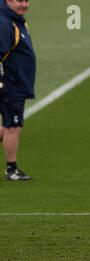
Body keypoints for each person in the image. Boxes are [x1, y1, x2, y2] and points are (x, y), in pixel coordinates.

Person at [0, 0, 35, 180]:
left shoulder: (15, 19)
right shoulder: (6, 24)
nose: (24, 4)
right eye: (19, 0)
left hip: (15, 82)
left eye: (26, 0)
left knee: (8, 125)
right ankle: (11, 170)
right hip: (10, 84)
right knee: (13, 125)